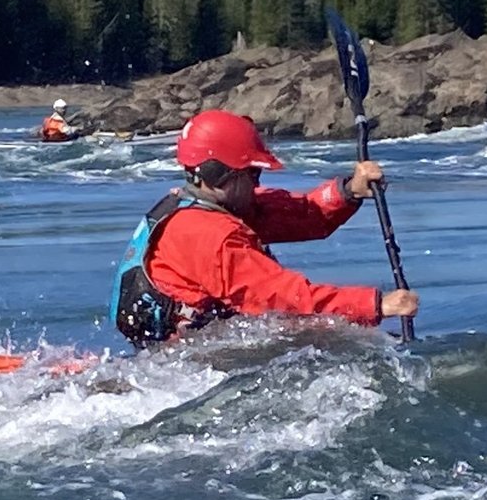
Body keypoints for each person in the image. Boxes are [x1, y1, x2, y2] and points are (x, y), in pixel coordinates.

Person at [110, 109, 419, 345]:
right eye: (253, 174)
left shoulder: (212, 206)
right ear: (218, 175)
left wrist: (349, 191)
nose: (259, 182)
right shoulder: (211, 237)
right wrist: (377, 305)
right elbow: (283, 298)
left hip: (202, 343)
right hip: (193, 360)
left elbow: (304, 213)